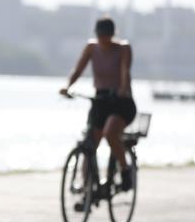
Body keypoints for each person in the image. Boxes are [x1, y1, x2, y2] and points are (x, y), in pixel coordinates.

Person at [59, 17, 137, 193]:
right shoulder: (91, 48)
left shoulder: (124, 48)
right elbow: (78, 70)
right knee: (90, 143)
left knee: (110, 133)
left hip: (121, 101)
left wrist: (123, 89)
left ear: (112, 35)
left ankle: (125, 170)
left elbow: (125, 70)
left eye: (107, 36)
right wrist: (67, 86)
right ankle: (86, 186)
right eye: (100, 35)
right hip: (100, 100)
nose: (103, 39)